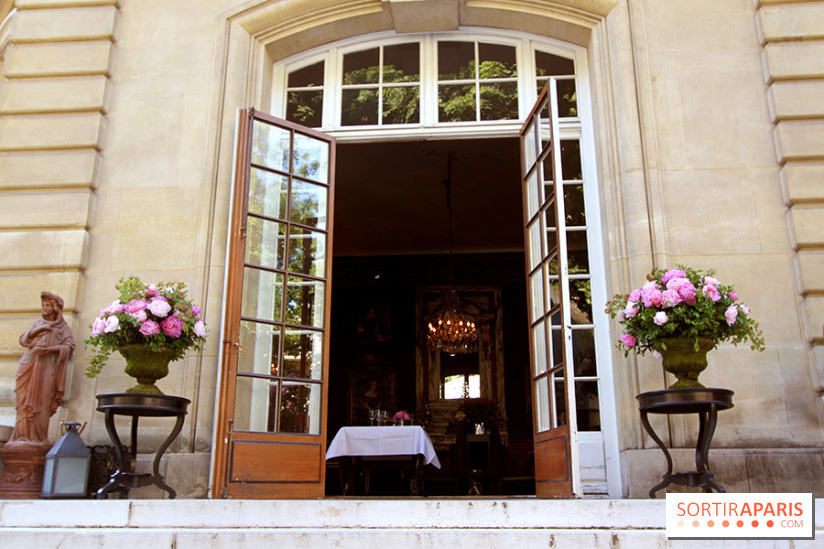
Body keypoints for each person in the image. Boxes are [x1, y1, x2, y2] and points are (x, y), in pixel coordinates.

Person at [9, 291, 75, 444]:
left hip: (46, 367)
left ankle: (37, 437)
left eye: (47, 305)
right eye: (43, 305)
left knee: (43, 400)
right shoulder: (38, 324)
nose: (44, 308)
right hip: (29, 362)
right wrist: (39, 329)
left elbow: (69, 347)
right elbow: (23, 340)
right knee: (23, 399)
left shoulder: (62, 328)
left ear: (55, 308)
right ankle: (21, 436)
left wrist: (50, 349)